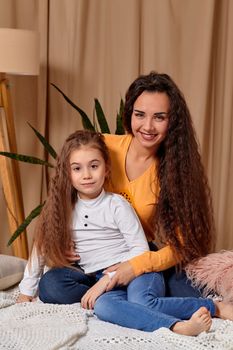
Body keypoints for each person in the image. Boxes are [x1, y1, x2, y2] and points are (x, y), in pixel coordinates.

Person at [16, 129, 232, 336]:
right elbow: (40, 247)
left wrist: (107, 280)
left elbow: (139, 250)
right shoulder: (61, 208)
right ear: (67, 173)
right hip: (99, 278)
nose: (87, 175)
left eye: (94, 166)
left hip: (136, 271)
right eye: (77, 168)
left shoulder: (116, 205)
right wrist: (26, 292)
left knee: (142, 302)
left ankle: (211, 308)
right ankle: (169, 322)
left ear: (107, 169)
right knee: (102, 307)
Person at [92, 71, 219, 328]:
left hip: (139, 253)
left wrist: (134, 266)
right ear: (129, 114)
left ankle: (210, 308)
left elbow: (181, 246)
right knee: (53, 287)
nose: (147, 127)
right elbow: (67, 197)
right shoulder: (103, 147)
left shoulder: (175, 169)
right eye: (140, 115)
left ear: (172, 122)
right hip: (97, 256)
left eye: (159, 117)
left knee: (184, 290)